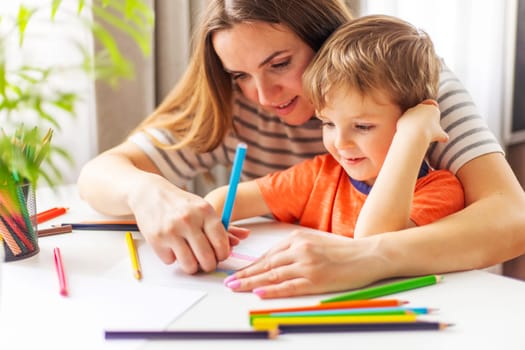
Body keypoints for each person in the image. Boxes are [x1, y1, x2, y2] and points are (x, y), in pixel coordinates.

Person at [77, 0, 525, 298]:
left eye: (280, 64)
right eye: (240, 74)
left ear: (326, 38)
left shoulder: (409, 88)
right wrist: (147, 191)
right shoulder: (234, 101)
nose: (264, 94)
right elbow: (99, 174)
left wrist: (368, 256)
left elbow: (511, 216)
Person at [204, 15, 464, 247]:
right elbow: (226, 199)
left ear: (412, 119)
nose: (340, 142)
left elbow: (373, 241)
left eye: (362, 126)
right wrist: (208, 227)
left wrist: (412, 136)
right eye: (327, 123)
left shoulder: (440, 192)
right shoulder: (320, 175)